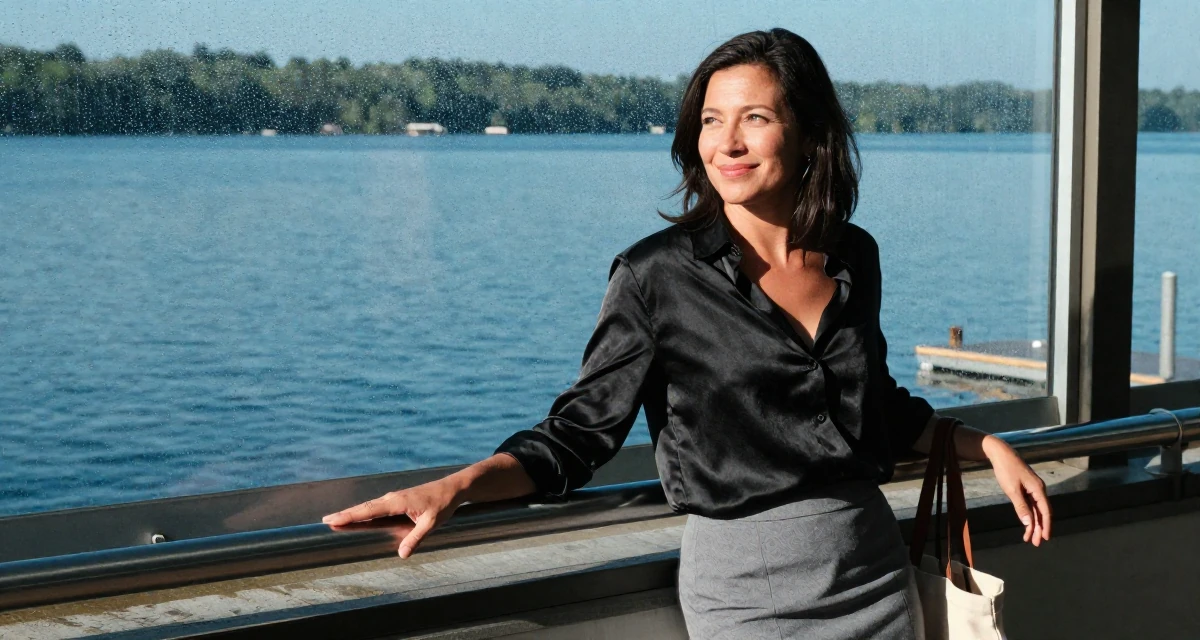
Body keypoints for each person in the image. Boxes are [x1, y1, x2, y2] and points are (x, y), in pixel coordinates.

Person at [323, 28, 1051, 639]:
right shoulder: (655, 276)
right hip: (747, 596)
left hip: (873, 571)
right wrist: (456, 487)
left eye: (754, 118)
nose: (727, 142)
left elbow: (872, 406)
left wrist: (984, 444)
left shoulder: (853, 254)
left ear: (807, 134)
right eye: (710, 120)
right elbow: (579, 434)